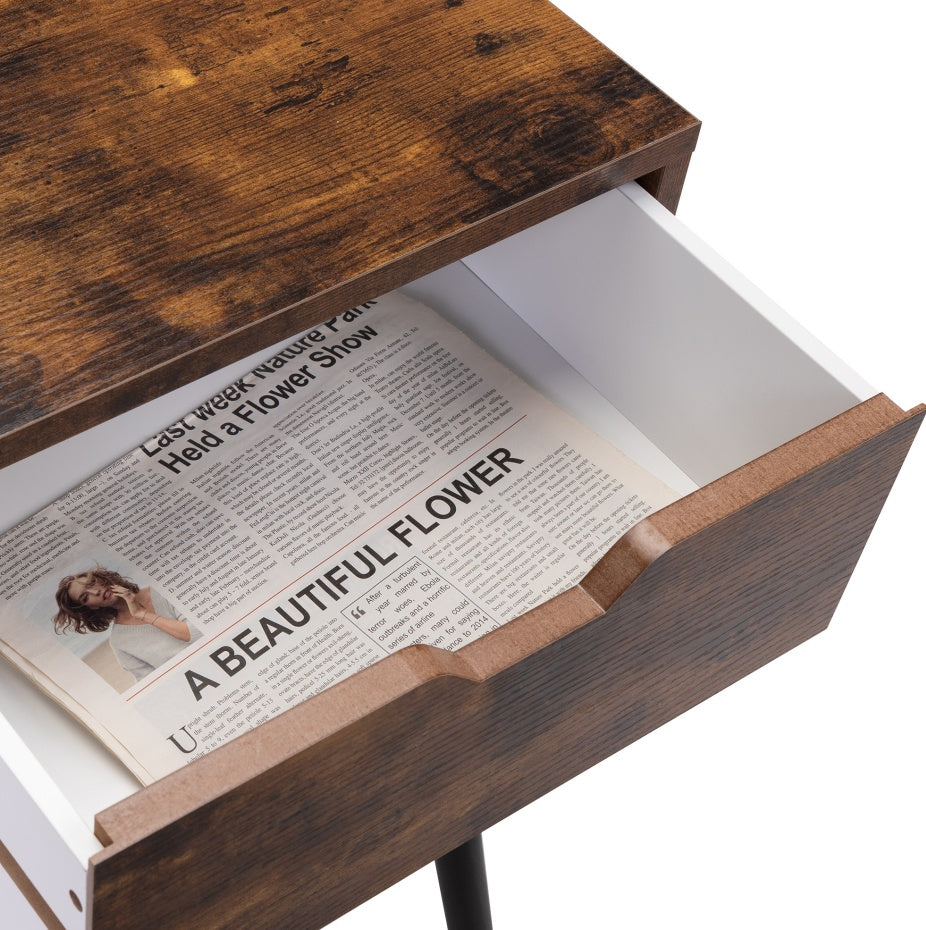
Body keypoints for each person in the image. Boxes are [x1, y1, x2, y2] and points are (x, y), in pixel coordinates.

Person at [54, 567, 200, 682]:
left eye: (92, 583)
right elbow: (150, 683)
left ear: (101, 579)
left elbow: (197, 633)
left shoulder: (161, 590)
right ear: (91, 607)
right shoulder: (119, 642)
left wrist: (143, 615)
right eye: (86, 597)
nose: (96, 591)